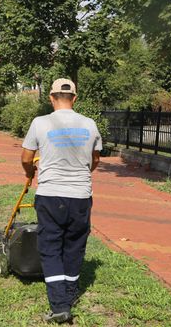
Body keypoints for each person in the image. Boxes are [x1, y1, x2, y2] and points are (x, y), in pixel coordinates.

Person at [20, 78, 102, 324]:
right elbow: (95, 160)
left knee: (51, 247)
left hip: (50, 194)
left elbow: (26, 157)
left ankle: (60, 305)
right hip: (80, 196)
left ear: (51, 97)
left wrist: (29, 172)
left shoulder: (40, 122)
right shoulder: (89, 124)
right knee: (75, 245)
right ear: (75, 99)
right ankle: (69, 294)